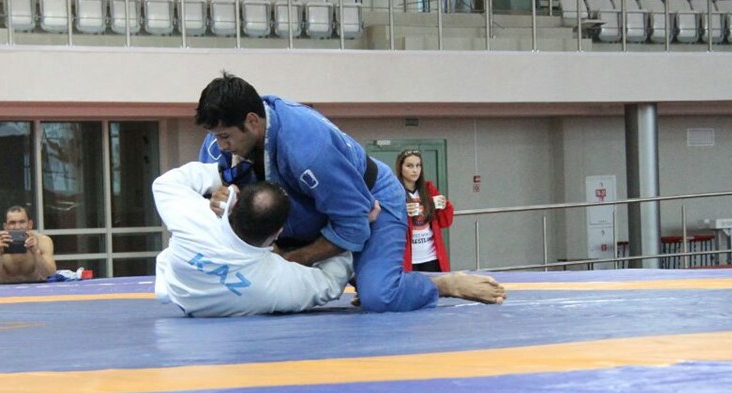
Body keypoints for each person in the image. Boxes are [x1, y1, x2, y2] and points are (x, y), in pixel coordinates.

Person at [195, 73, 505, 312]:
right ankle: (364, 272)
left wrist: (292, 259)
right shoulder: (219, 143)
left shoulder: (308, 149)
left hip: (372, 202)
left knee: (379, 296)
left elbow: (355, 223)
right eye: (216, 136)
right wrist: (220, 203)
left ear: (252, 121)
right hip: (309, 214)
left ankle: (440, 285)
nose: (220, 146)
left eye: (225, 137)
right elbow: (211, 203)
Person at [153, 160, 353, 316]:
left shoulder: (198, 221)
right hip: (203, 296)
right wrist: (344, 232)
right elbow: (330, 282)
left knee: (168, 264)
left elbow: (163, 183)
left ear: (233, 205)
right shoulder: (275, 283)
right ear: (278, 233)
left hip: (179, 290)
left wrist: (218, 180)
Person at [396, 149, 454, 273]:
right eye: (409, 166)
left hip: (431, 257)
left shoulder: (429, 189)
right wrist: (402, 211)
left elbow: (445, 222)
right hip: (407, 258)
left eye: (418, 165)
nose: (415, 170)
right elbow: (386, 221)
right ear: (400, 168)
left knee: (435, 285)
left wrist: (445, 205)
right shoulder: (394, 191)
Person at [0, 205, 56, 284]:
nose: (17, 227)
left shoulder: (43, 241)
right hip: (6, 288)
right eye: (12, 223)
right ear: (5, 226)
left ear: (30, 224)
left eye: (22, 222)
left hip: (36, 287)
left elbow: (51, 276)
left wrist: (36, 252)